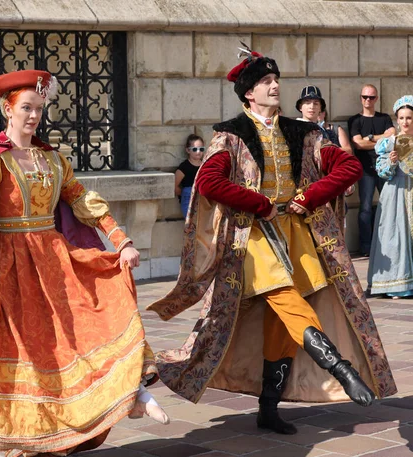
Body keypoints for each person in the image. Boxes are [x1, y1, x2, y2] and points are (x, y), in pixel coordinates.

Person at [147, 48, 396, 436]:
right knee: (284, 297)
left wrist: (309, 196)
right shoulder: (231, 135)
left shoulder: (303, 132)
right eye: (266, 82)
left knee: (283, 324)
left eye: (275, 79)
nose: (275, 85)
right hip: (253, 236)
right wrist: (258, 202)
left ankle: (268, 406)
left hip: (297, 234)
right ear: (249, 92)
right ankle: (340, 369)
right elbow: (209, 181)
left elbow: (347, 166)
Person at [0, 69, 169, 457]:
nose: (33, 116)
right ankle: (33, 438)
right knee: (29, 352)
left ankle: (128, 391)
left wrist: (121, 240)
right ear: (8, 109)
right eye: (25, 108)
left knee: (77, 332)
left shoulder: (52, 159)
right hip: (11, 267)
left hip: (54, 260)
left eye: (38, 108)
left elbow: (82, 200)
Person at [368, 95, 413, 299]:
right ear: (396, 120)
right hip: (395, 193)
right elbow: (383, 173)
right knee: (395, 236)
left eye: (409, 118)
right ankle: (397, 284)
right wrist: (392, 162)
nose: (405, 122)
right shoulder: (388, 143)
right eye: (401, 118)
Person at [295, 86, 354, 230]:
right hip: (303, 189)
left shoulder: (323, 131)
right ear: (300, 107)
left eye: (316, 103)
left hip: (326, 187)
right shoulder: (293, 128)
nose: (311, 107)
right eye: (307, 102)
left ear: (321, 108)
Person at [348, 84, 396, 256]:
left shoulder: (384, 118)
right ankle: (366, 247)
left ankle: (388, 245)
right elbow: (358, 144)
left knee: (389, 206)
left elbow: (392, 135)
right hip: (366, 170)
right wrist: (382, 140)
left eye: (371, 97)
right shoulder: (355, 120)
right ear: (360, 98)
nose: (368, 100)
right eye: (365, 97)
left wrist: (369, 139)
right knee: (366, 207)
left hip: (386, 167)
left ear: (376, 99)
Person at [175, 134, 204, 218]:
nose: (198, 152)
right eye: (195, 149)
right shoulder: (184, 167)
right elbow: (175, 186)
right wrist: (185, 194)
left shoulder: (205, 165)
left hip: (203, 200)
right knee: (192, 226)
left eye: (201, 149)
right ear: (188, 150)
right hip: (189, 200)